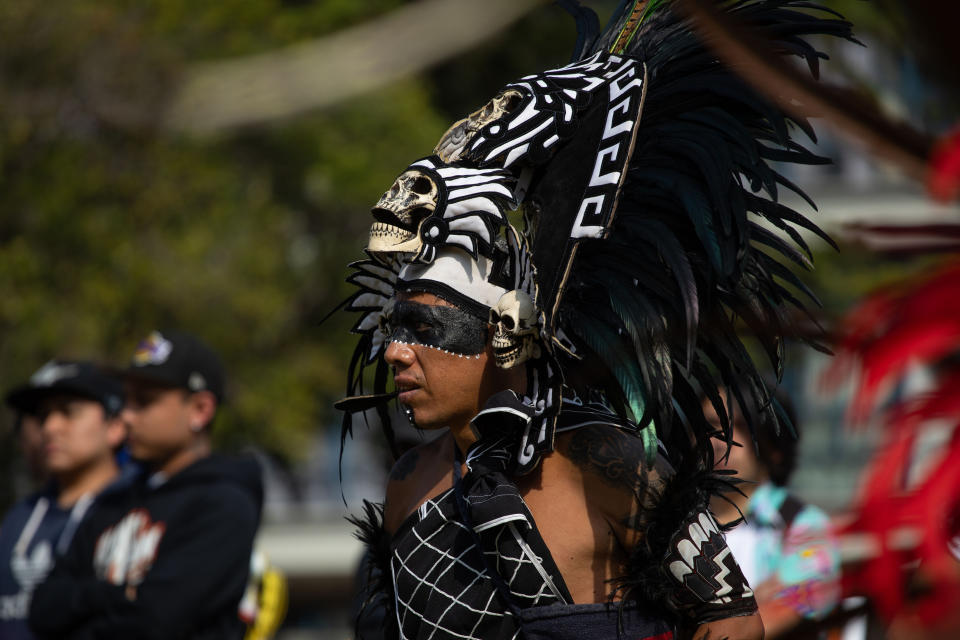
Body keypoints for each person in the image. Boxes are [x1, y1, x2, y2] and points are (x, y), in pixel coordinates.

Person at [338, 2, 856, 638]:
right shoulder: (408, 483)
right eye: (395, 328)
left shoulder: (607, 461)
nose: (394, 351)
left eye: (424, 329)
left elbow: (733, 623)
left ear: (504, 337)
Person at [29, 330, 263, 640]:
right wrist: (115, 595)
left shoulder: (223, 505)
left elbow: (157, 621)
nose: (125, 415)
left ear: (199, 410)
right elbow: (42, 609)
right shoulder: (113, 501)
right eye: (126, 399)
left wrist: (86, 612)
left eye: (144, 401)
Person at [0, 360, 127, 640]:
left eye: (69, 412)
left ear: (115, 426)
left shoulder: (132, 511)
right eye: (43, 416)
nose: (50, 428)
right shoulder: (20, 516)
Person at [708, 387, 841, 638]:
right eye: (708, 424)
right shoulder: (670, 523)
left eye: (737, 426)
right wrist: (750, 606)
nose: (717, 440)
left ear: (774, 445)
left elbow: (779, 617)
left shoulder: (804, 525)